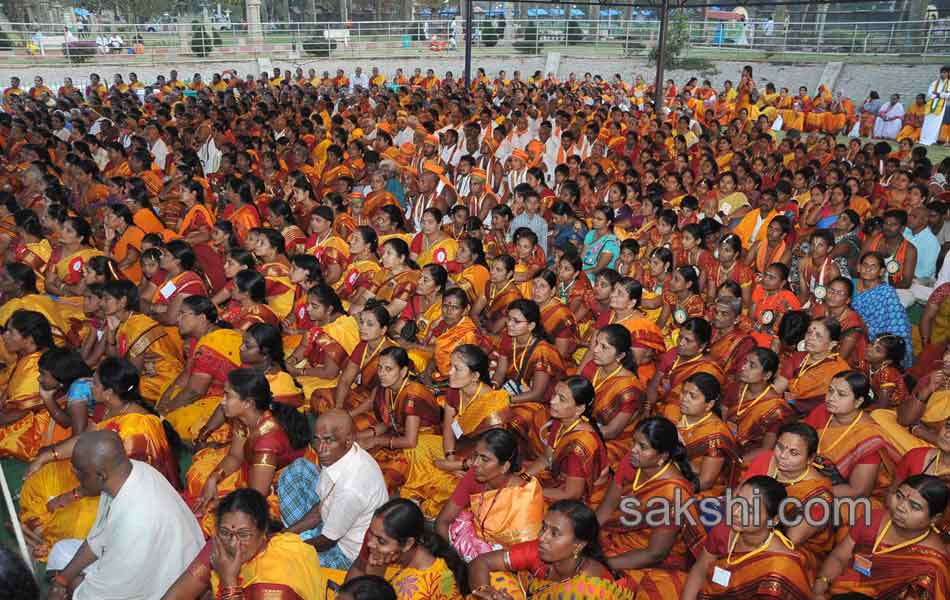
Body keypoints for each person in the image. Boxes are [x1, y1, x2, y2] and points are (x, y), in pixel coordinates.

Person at [20, 357, 179, 559]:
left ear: (109, 392)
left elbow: (109, 479)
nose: (89, 385)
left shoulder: (134, 429)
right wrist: (47, 456)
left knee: (78, 522)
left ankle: (44, 536)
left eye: (94, 383)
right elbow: (86, 439)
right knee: (43, 476)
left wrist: (69, 496)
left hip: (121, 499)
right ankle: (41, 531)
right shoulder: (111, 408)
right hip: (96, 478)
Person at [47, 430, 203, 600]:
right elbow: (98, 537)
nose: (75, 476)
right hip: (143, 560)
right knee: (61, 550)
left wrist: (73, 590)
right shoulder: (128, 472)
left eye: (78, 472)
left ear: (100, 476)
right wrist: (63, 580)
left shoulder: (135, 522)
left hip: (170, 586)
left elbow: (103, 593)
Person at [595, 416, 706, 598]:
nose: (633, 450)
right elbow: (606, 508)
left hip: (653, 562)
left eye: (642, 447)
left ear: (662, 456)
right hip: (616, 540)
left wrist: (604, 563)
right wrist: (586, 540)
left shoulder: (673, 493)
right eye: (634, 443)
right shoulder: (631, 463)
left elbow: (655, 553)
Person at [278, 410, 389, 569]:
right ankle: (297, 538)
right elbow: (322, 505)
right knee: (298, 469)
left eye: (329, 440)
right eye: (317, 440)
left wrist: (291, 547)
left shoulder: (351, 489)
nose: (320, 448)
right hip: (332, 519)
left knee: (286, 560)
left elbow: (328, 541)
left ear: (349, 440)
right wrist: (285, 534)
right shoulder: (344, 453)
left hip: (344, 552)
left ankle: (298, 543)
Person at [814, 475, 949, 599]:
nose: (901, 507)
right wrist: (821, 584)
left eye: (914, 506)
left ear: (934, 519)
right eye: (899, 496)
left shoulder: (932, 563)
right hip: (841, 592)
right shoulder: (873, 519)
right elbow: (839, 558)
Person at [469, 499, 633, 599]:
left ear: (579, 545)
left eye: (555, 533)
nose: (543, 537)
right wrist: (486, 593)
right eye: (544, 528)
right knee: (497, 579)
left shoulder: (592, 586)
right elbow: (482, 561)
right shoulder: (539, 550)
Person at [681, 476, 813, 599]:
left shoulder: (780, 568)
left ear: (773, 520)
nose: (736, 513)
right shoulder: (725, 530)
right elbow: (701, 568)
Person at [435, 429, 544, 561]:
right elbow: (443, 521)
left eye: (484, 459)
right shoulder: (474, 476)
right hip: (471, 550)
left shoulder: (524, 496)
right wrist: (453, 560)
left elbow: (524, 554)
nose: (475, 464)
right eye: (475, 456)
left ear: (504, 467)